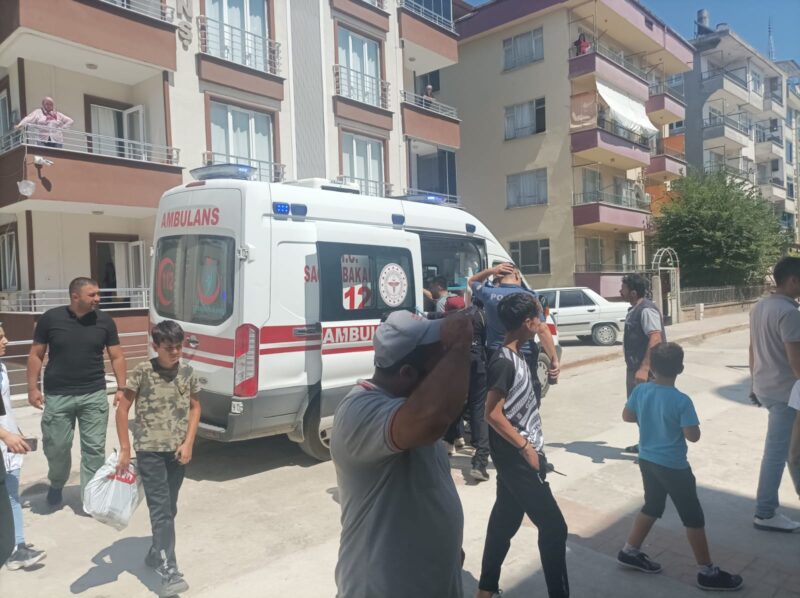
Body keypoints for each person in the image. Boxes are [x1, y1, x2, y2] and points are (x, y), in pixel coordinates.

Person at [331, 309, 472, 598]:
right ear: (407, 373)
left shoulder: (408, 406)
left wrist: (447, 548)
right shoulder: (359, 410)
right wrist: (459, 348)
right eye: (439, 358)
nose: (445, 364)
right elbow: (434, 416)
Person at [618, 342, 743, 591]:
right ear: (681, 368)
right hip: (674, 467)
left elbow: (627, 416)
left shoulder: (641, 391)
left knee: (652, 505)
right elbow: (693, 436)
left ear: (652, 368)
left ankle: (629, 550)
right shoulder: (681, 401)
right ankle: (707, 571)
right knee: (693, 517)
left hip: (647, 460)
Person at [477, 293, 569, 598]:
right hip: (516, 455)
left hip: (516, 452)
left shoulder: (517, 355)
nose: (541, 323)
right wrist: (525, 448)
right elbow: (492, 413)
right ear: (527, 322)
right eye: (537, 318)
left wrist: (553, 359)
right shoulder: (503, 361)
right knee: (554, 528)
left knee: (504, 522)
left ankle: (485, 589)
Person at [115, 320, 201, 598]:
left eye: (178, 347)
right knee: (161, 510)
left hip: (177, 452)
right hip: (149, 451)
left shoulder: (188, 372)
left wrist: (188, 443)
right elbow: (122, 409)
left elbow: (195, 407)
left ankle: (156, 552)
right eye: (168, 348)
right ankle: (169, 570)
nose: (175, 352)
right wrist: (125, 448)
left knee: (170, 509)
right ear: (156, 346)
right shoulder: (143, 371)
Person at [27, 277, 127, 507]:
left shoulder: (105, 321)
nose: (98, 298)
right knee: (57, 446)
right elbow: (36, 354)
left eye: (98, 294)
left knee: (94, 449)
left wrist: (122, 388)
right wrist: (32, 388)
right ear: (75, 296)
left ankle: (90, 497)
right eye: (92, 295)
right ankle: (56, 483)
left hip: (93, 393)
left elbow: (117, 356)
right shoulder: (50, 318)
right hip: (58, 395)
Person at [749, 256, 800, 532]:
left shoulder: (760, 307)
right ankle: (765, 512)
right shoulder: (790, 313)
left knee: (789, 449)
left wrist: (753, 385)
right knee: (777, 453)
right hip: (785, 393)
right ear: (793, 280)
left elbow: (752, 349)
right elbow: (796, 363)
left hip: (765, 388)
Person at [469, 263, 560, 395]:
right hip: (524, 353)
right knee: (527, 393)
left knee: (499, 393)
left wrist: (491, 270)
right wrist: (554, 359)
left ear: (498, 276)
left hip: (496, 354)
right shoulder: (530, 297)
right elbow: (542, 329)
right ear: (517, 275)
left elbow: (472, 281)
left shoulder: (488, 293)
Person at [0, 325, 47, 571]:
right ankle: (14, 547)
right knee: (9, 497)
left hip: (9, 442)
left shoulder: (2, 368)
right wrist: (6, 435)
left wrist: (15, 432)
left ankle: (16, 545)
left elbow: (5, 408)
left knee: (11, 495)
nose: (6, 340)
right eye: (0, 337)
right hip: (4, 441)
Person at [620, 273, 665, 454]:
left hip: (647, 371)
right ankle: (646, 444)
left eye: (623, 288)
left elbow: (655, 338)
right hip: (635, 368)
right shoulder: (635, 309)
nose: (620, 291)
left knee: (649, 411)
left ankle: (654, 449)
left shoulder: (646, 310)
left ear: (633, 292)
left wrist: (645, 368)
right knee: (640, 410)